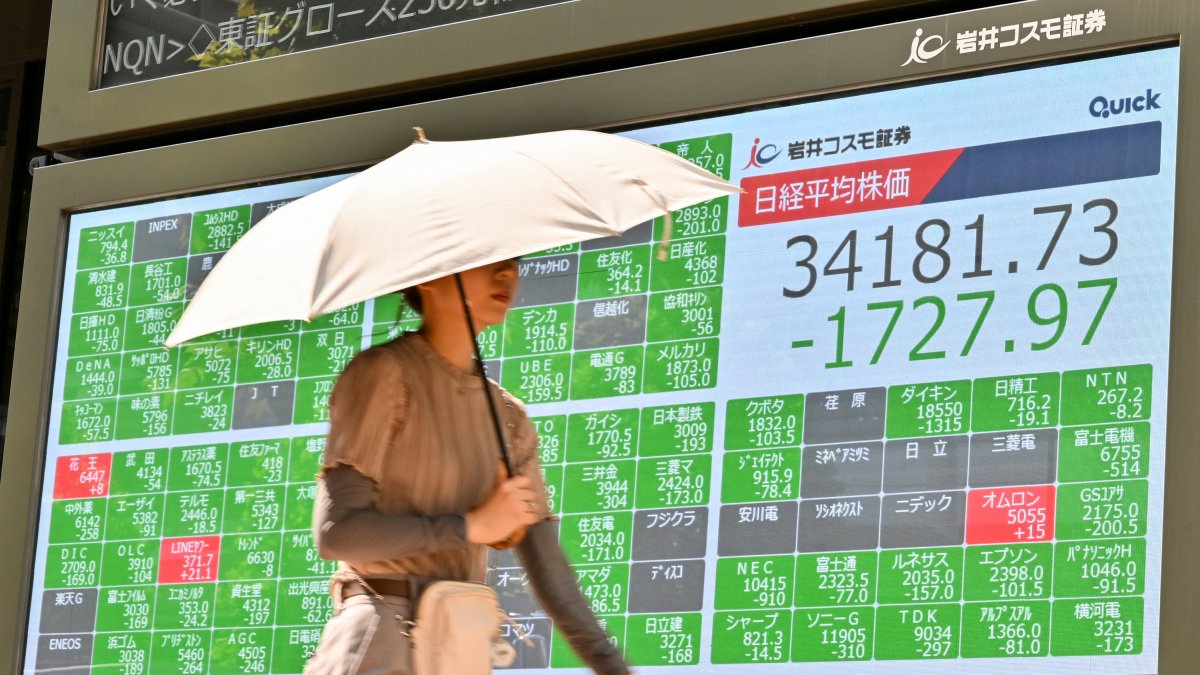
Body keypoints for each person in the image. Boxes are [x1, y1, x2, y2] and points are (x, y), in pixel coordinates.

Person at [304, 258, 630, 675]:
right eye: (486, 261)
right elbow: (338, 534)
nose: (506, 274)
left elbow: (553, 580)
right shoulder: (384, 373)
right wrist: (471, 526)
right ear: (430, 276)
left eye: (512, 262)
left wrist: (614, 668)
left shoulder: (509, 417)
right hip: (380, 645)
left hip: (460, 647)